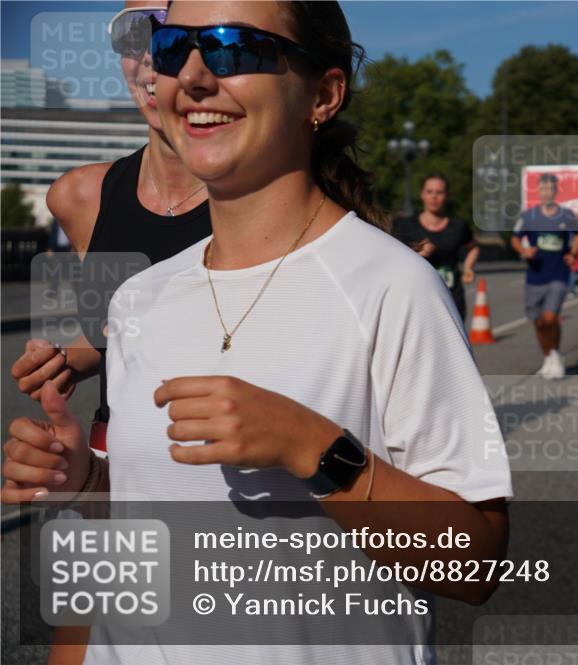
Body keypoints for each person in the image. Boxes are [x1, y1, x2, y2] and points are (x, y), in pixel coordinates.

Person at [4, 4, 511, 665]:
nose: (190, 75)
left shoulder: (391, 285)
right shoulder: (139, 299)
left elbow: (473, 566)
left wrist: (311, 445)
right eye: (171, 48)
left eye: (232, 50)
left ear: (323, 95)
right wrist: (87, 485)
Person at [8, 2, 212, 452]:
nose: (151, 55)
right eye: (132, 33)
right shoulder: (80, 197)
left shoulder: (271, 198)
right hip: (115, 467)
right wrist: (62, 361)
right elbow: (117, 334)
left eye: (175, 32)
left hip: (238, 480)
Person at [511, 173, 578, 379]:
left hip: (558, 273)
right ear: (538, 191)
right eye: (543, 189)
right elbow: (515, 239)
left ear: (556, 191)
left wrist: (573, 253)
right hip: (535, 276)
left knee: (550, 318)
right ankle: (549, 357)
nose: (546, 193)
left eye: (550, 189)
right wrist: (524, 251)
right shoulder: (528, 216)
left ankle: (555, 355)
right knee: (539, 322)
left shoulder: (567, 215)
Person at [392, 173, 478, 322]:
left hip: (451, 298)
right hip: (418, 299)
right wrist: (418, 254)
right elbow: (391, 258)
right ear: (422, 194)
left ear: (447, 196)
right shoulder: (405, 225)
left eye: (439, 192)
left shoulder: (458, 225)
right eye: (429, 192)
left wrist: (468, 267)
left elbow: (473, 247)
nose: (434, 197)